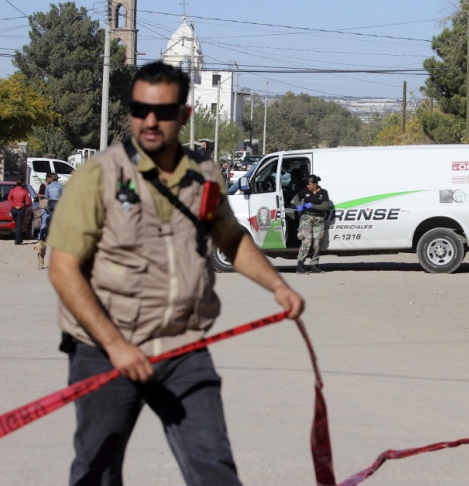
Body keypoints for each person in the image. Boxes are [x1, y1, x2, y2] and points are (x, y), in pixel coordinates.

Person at [47, 60, 304, 486]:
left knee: (214, 470)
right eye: (139, 109)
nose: (150, 121)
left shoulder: (203, 175)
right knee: (97, 471)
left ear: (184, 116)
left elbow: (231, 238)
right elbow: (63, 269)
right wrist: (116, 347)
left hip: (182, 348)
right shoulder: (98, 176)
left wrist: (279, 286)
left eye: (163, 112)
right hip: (105, 351)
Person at [292, 174, 331, 274]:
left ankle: (314, 265)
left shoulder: (323, 192)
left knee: (316, 243)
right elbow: (296, 198)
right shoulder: (305, 191)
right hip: (307, 218)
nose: (307, 186)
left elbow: (325, 206)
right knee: (307, 241)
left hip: (318, 219)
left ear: (315, 184)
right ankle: (300, 265)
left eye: (309, 184)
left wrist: (312, 205)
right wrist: (298, 206)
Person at [7, 177, 31, 245]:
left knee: (17, 224)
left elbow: (9, 199)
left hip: (14, 209)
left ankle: (19, 239)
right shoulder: (24, 191)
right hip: (21, 208)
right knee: (19, 225)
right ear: (22, 184)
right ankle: (18, 240)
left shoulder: (12, 191)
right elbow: (28, 202)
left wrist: (14, 205)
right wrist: (24, 205)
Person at [37, 172, 53, 241]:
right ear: (48, 178)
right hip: (44, 206)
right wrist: (47, 195)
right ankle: (40, 237)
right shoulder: (43, 185)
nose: (52, 180)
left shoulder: (51, 185)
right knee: (44, 223)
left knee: (48, 223)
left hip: (49, 206)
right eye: (51, 178)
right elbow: (39, 195)